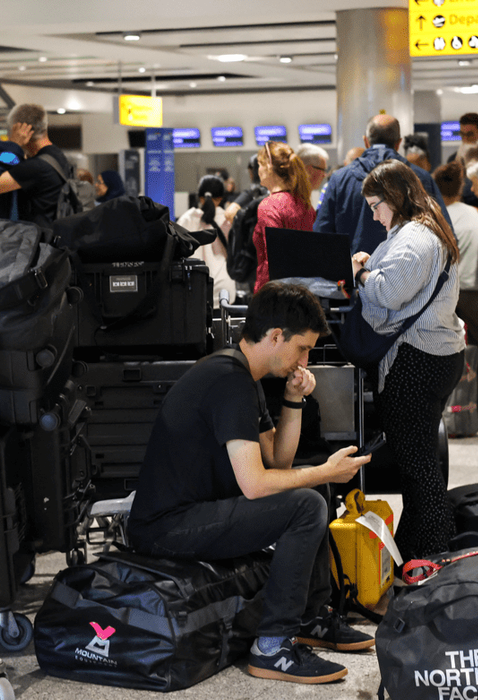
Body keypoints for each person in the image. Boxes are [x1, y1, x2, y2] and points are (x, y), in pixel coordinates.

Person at [128, 282, 373, 685]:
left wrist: (293, 400)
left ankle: (309, 619)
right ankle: (272, 647)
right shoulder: (228, 380)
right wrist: (324, 472)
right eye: (302, 348)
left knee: (315, 491)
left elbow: (278, 461)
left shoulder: (244, 376)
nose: (305, 360)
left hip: (194, 513)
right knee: (309, 501)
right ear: (276, 336)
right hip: (166, 527)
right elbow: (256, 485)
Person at [352, 160, 466, 558]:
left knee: (418, 469)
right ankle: (417, 551)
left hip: (416, 360)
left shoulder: (416, 238)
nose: (373, 214)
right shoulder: (423, 229)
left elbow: (387, 292)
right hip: (432, 355)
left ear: (395, 198)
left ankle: (434, 554)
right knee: (418, 465)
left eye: (375, 205)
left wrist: (361, 273)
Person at [315, 114, 450, 256]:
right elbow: (443, 233)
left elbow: (322, 235)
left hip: (354, 273)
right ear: (398, 143)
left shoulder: (339, 179)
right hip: (406, 274)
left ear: (366, 141)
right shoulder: (420, 178)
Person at [434, 160, 478, 419]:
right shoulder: (475, 214)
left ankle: (440, 405)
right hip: (470, 293)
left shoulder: (433, 214)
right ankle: (476, 403)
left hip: (438, 294)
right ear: (461, 186)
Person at [0, 103, 73, 228]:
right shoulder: (58, 156)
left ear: (21, 129)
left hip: (39, 242)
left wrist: (13, 145)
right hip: (56, 238)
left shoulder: (36, 167)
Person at [252, 141, 316, 291]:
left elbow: (275, 258)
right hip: (302, 291)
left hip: (274, 294)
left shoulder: (269, 206)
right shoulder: (305, 205)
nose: (258, 170)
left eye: (260, 165)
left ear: (269, 166)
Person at [177, 175, 237, 304]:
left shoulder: (187, 219)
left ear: (200, 197)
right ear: (221, 197)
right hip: (224, 291)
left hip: (194, 288)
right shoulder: (228, 220)